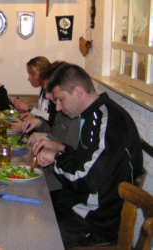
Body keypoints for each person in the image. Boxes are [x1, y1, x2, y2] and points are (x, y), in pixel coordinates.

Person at [33, 64, 143, 249]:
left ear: (78, 91)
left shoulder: (108, 122)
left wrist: (56, 158)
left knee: (38, 235)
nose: (58, 108)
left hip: (98, 221)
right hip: (83, 207)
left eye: (60, 99)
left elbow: (85, 178)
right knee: (34, 213)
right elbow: (89, 161)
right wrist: (61, 148)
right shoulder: (94, 115)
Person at [16, 61, 80, 151]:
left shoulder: (73, 112)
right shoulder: (61, 109)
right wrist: (39, 123)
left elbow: (70, 151)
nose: (47, 96)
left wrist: (47, 137)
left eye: (50, 90)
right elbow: (53, 132)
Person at [13, 56, 56, 126]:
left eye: (32, 75)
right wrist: (31, 114)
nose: (29, 78)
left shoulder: (54, 92)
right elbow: (42, 115)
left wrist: (29, 108)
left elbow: (53, 118)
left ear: (44, 73)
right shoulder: (42, 90)